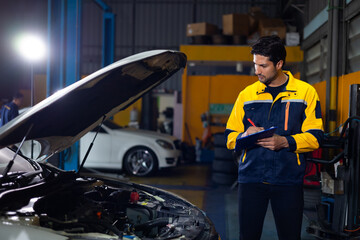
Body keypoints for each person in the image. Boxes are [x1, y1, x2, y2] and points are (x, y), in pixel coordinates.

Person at [225, 35, 324, 240]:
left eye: (263, 65)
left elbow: (316, 137)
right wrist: (244, 134)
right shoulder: (247, 95)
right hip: (251, 178)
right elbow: (229, 136)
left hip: (288, 180)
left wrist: (285, 142)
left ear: (279, 64)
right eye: (255, 64)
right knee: (248, 236)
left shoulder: (306, 93)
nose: (256, 71)